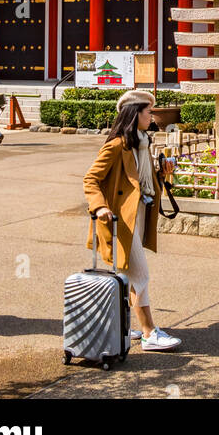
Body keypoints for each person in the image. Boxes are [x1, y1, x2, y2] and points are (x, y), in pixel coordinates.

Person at [82, 90, 181, 353]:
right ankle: (149, 333)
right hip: (118, 221)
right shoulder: (117, 145)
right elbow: (90, 179)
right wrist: (100, 206)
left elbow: (142, 185)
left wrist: (163, 175)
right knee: (140, 273)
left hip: (137, 216)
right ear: (134, 113)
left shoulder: (142, 144)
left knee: (126, 275)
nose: (152, 116)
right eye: (148, 111)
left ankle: (122, 326)